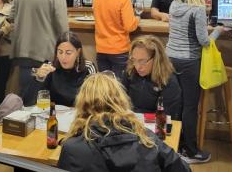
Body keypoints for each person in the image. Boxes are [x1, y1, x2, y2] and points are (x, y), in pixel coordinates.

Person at [58, 72, 190, 172]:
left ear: (82, 105)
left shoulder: (72, 149)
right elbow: (184, 169)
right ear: (120, 102)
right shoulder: (148, 140)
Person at [166, 0, 222, 164]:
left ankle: (175, 145)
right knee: (190, 107)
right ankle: (191, 151)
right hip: (189, 61)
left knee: (176, 104)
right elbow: (204, 41)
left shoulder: (175, 4)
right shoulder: (197, 9)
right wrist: (218, 32)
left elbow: (182, 29)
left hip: (170, 58)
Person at [10, 0, 69, 106]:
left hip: (22, 52)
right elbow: (62, 28)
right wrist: (66, 50)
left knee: (26, 96)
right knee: (42, 99)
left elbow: (12, 17)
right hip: (45, 54)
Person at [93, 0, 140, 80]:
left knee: (105, 86)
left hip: (101, 49)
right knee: (119, 87)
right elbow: (130, 26)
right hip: (119, 49)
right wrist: (137, 18)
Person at [122, 35, 182, 119]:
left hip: (155, 126)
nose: (137, 67)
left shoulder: (168, 81)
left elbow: (169, 116)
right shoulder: (130, 72)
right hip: (131, 122)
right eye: (134, 60)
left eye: (142, 61)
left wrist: (140, 118)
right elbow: (120, 102)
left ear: (156, 59)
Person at [32, 31, 97, 107]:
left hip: (79, 114)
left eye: (68, 53)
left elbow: (94, 100)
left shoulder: (88, 68)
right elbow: (35, 100)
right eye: (60, 52)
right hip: (53, 115)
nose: (63, 57)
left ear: (78, 52)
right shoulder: (50, 68)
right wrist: (38, 77)